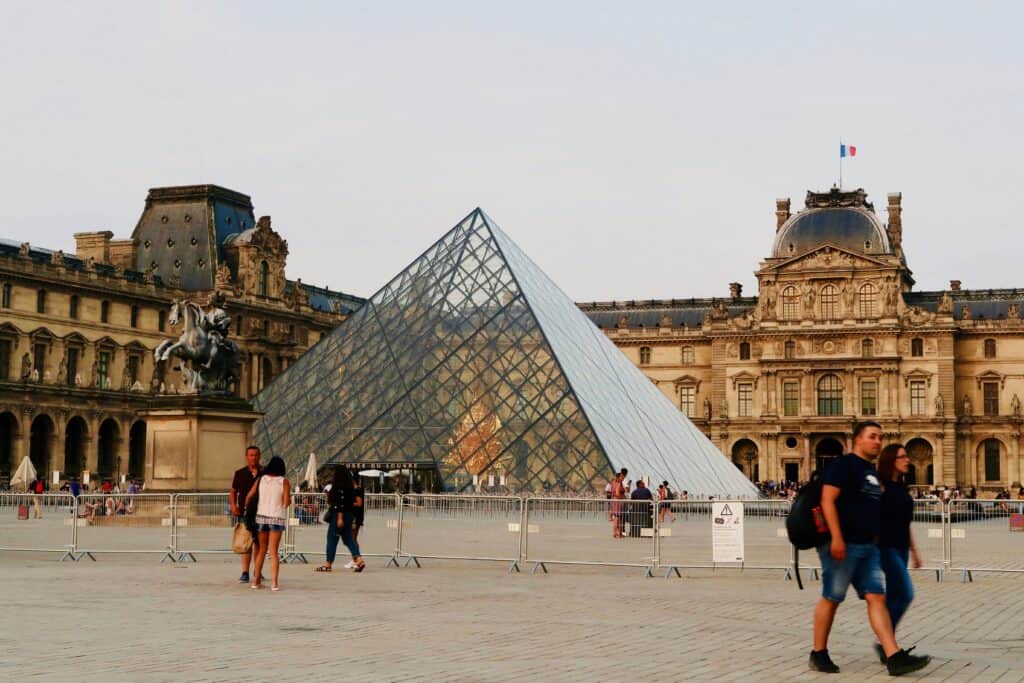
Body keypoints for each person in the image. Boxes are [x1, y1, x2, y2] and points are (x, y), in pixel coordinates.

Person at [809, 421, 931, 676]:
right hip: (843, 544)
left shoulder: (872, 472)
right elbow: (827, 500)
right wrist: (837, 538)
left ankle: (893, 655)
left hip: (868, 546)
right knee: (832, 598)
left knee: (877, 597)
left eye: (880, 437)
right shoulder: (843, 466)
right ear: (857, 440)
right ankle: (818, 652)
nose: (877, 441)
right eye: (872, 436)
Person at [875, 443, 922, 662]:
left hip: (901, 547)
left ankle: (887, 645)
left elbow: (905, 522)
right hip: (886, 548)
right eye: (903, 457)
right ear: (891, 461)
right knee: (905, 594)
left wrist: (914, 551)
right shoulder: (880, 487)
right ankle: (886, 644)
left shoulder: (901, 487)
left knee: (895, 597)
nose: (908, 460)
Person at [245, 455, 290, 591]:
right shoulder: (284, 481)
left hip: (261, 517)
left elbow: (249, 496)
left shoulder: (261, 479)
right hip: (276, 518)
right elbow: (286, 502)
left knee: (261, 550)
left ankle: (255, 581)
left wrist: (248, 510)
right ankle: (274, 583)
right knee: (273, 552)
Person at [317, 467, 366, 573]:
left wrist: (339, 518)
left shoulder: (339, 488)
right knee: (348, 539)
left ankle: (328, 563)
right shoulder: (351, 488)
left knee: (332, 538)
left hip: (339, 516)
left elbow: (340, 504)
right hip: (349, 515)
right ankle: (358, 559)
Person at [229, 446, 262, 584]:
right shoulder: (240, 473)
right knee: (246, 542)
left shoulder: (265, 472)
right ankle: (245, 571)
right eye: (251, 455)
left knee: (258, 543)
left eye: (255, 455)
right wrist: (233, 505)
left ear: (259, 456)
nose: (253, 457)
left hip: (261, 511)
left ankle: (257, 570)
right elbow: (233, 491)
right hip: (245, 511)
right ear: (246, 457)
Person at [342, 473, 366, 570]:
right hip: (355, 517)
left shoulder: (357, 490)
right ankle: (356, 559)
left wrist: (347, 502)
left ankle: (356, 559)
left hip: (355, 517)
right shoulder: (356, 489)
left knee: (352, 539)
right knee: (353, 539)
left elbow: (359, 503)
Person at [609, 471, 626, 539]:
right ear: (619, 477)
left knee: (616, 518)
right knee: (618, 518)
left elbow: (613, 493)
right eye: (622, 477)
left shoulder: (613, 483)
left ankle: (616, 533)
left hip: (614, 501)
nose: (623, 478)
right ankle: (618, 533)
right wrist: (623, 497)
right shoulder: (619, 484)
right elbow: (618, 494)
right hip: (618, 502)